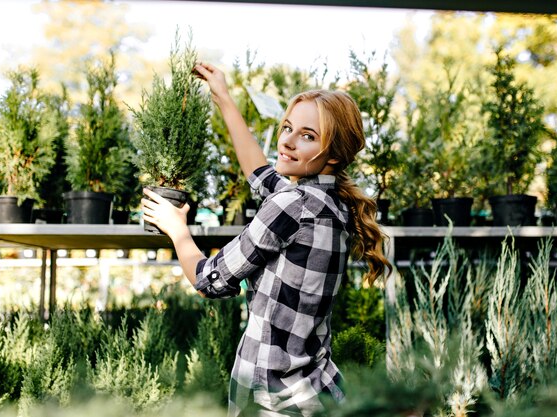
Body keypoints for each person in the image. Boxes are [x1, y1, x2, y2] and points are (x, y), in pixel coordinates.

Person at [141, 62, 392, 417]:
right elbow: (260, 174)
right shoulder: (331, 203)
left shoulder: (293, 206)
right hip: (314, 389)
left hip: (274, 400)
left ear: (333, 154)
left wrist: (177, 229)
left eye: (307, 136)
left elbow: (209, 281)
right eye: (287, 128)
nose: (287, 141)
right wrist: (224, 99)